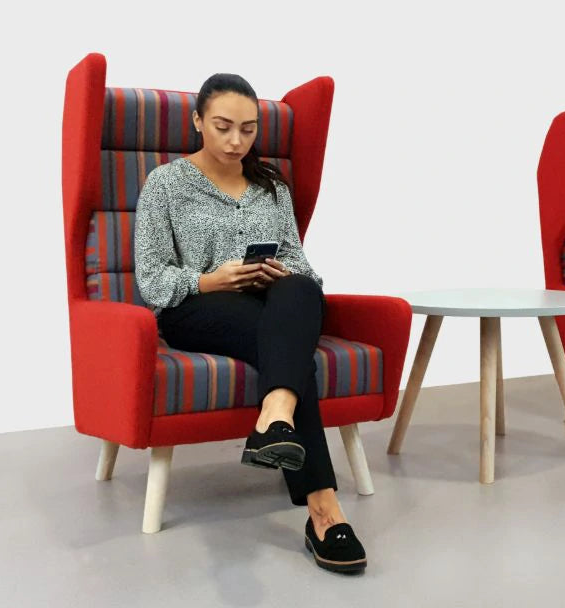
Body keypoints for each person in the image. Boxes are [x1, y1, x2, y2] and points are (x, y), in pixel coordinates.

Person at [133, 73, 365, 574]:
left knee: (302, 289)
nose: (236, 141)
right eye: (222, 127)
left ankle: (275, 417)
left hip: (267, 303)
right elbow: (151, 280)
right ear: (197, 122)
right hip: (196, 306)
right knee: (289, 342)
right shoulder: (165, 185)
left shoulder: (271, 186)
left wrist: (277, 273)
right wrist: (213, 279)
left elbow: (301, 264)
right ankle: (323, 510)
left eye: (248, 129)